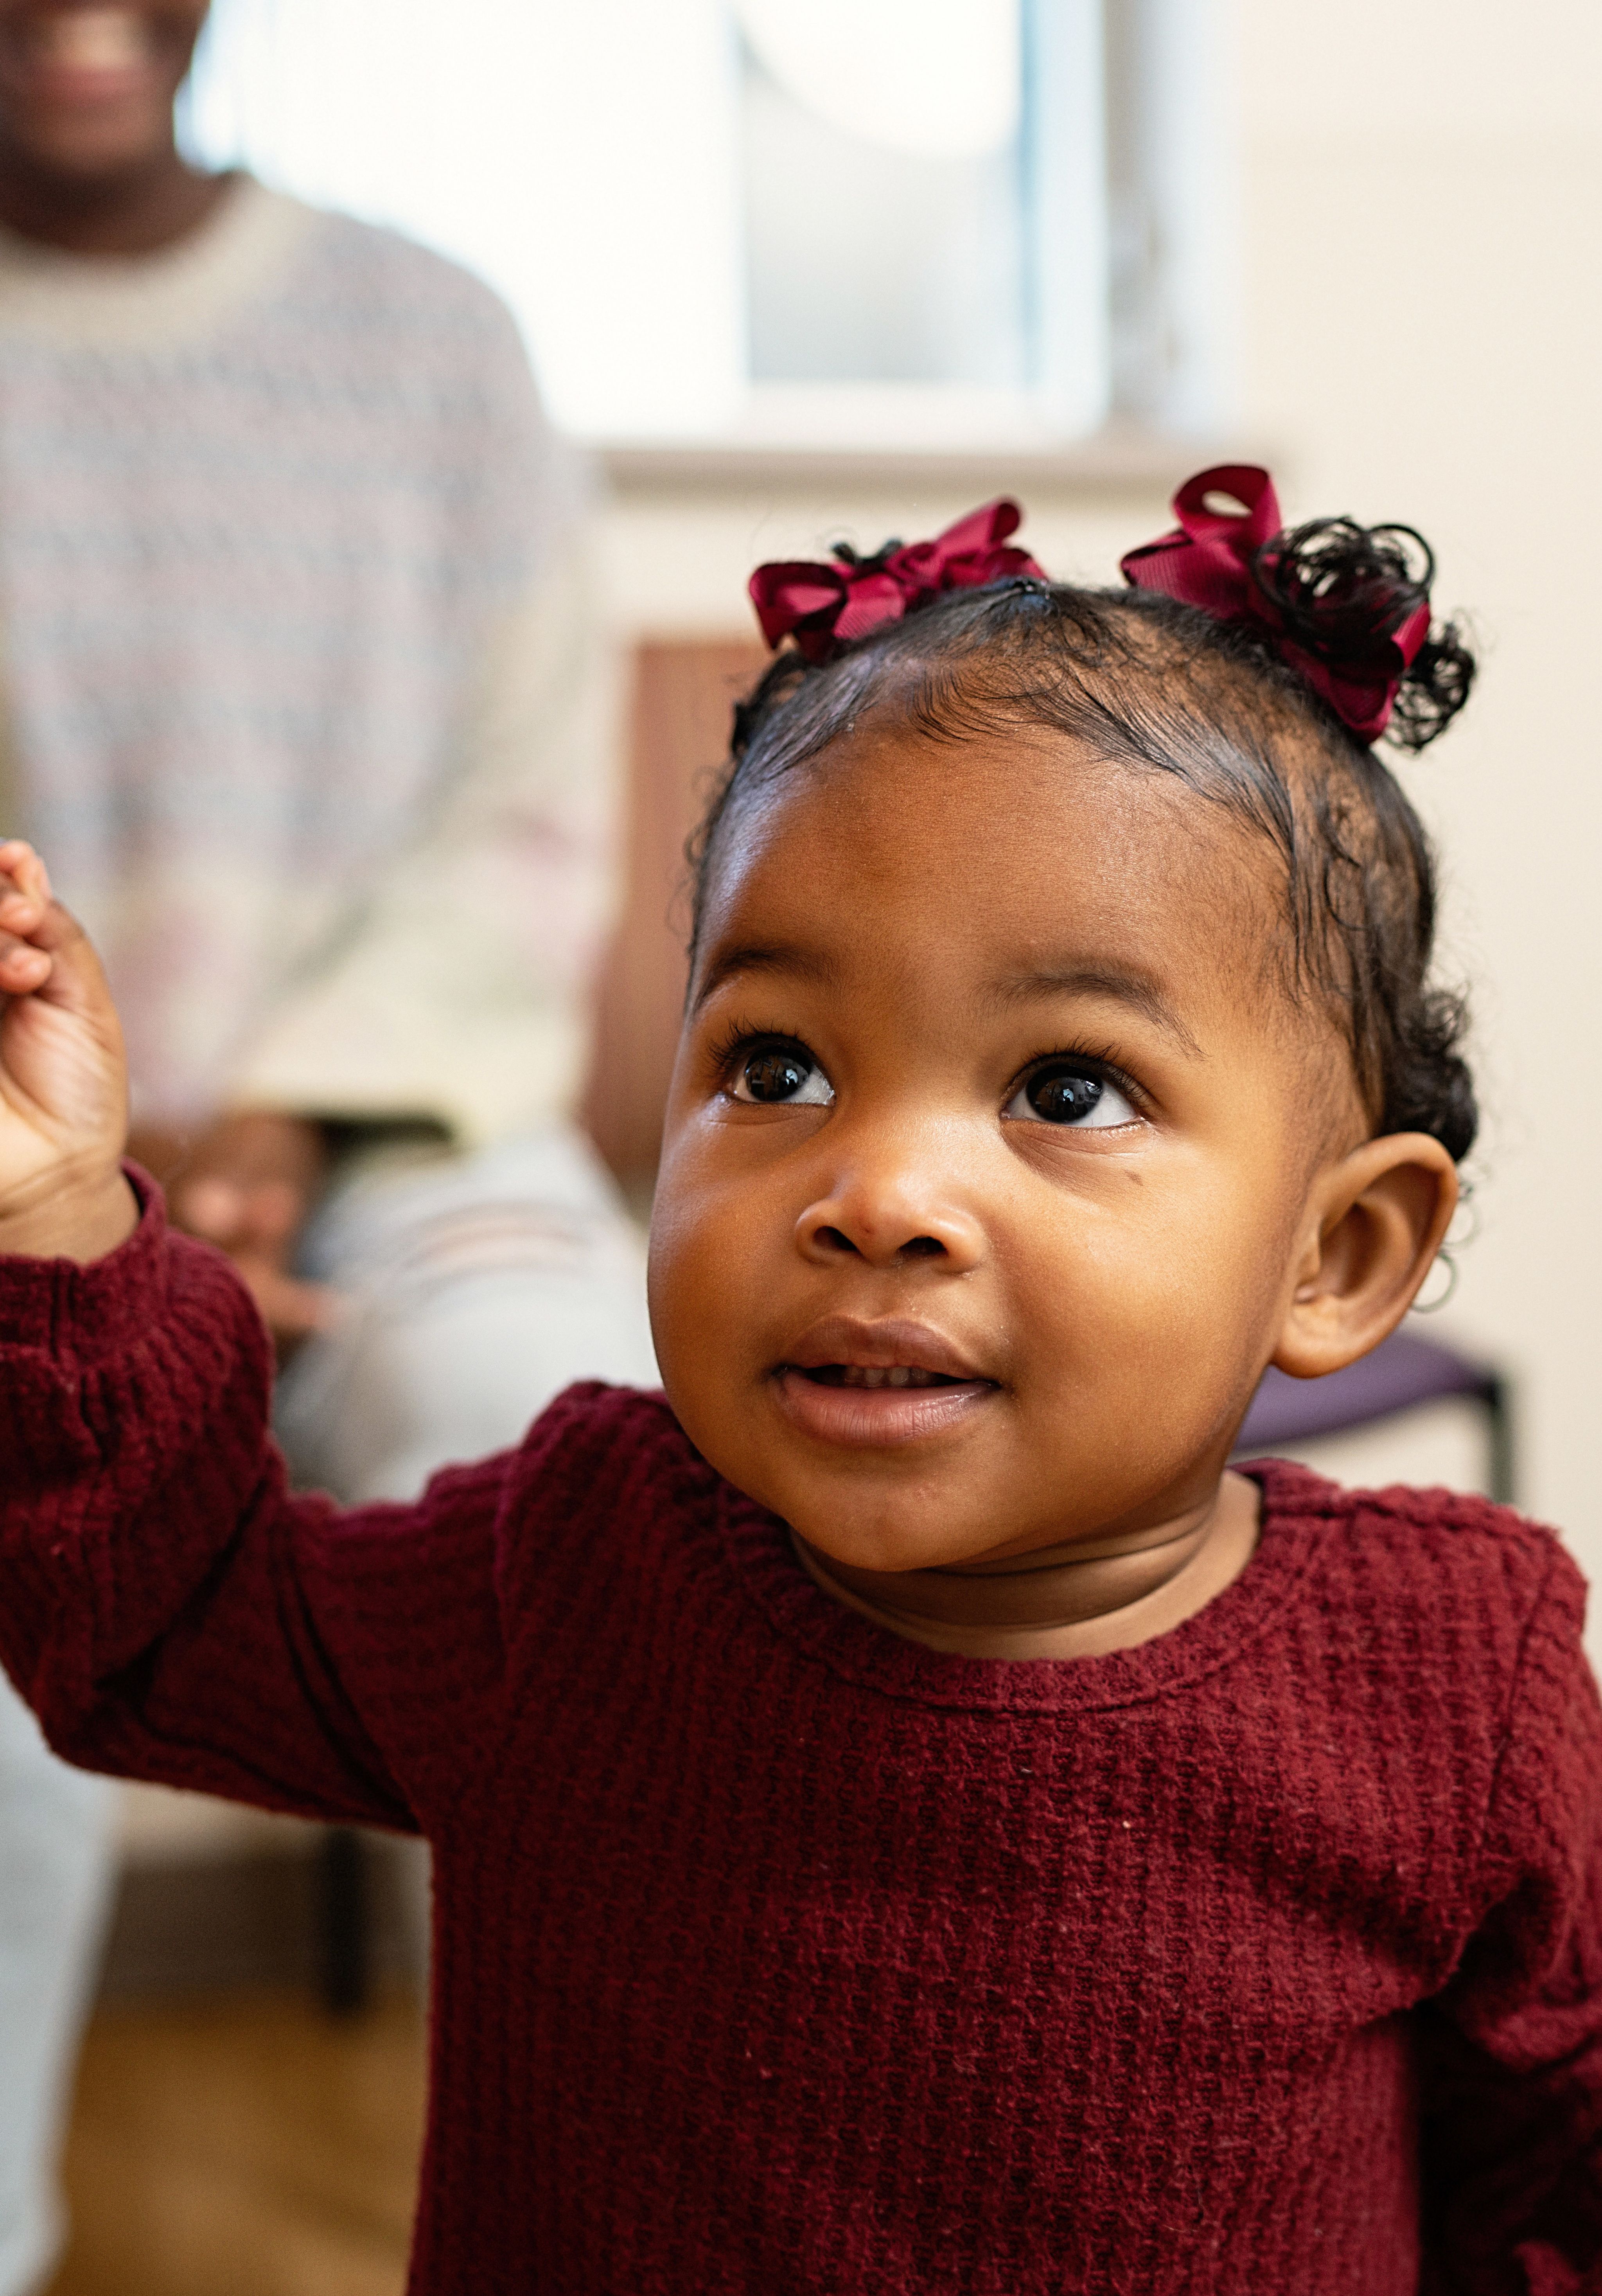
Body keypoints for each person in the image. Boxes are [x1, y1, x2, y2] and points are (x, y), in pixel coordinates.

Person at [0, 465, 1596, 2293]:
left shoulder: (1452, 1693)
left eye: (1063, 1088)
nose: (879, 1197)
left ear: (1338, 1255)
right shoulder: (579, 1572)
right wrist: (55, 1219)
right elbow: (161, 1628)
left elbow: (1557, 2182)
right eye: (775, 1069)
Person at [0, 2, 653, 2285]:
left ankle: (644, 2207)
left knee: (573, 1442)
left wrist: (274, 1118)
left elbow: (530, 812)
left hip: (404, 1116)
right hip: (9, 1139)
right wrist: (79, 1195)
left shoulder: (433, 340)